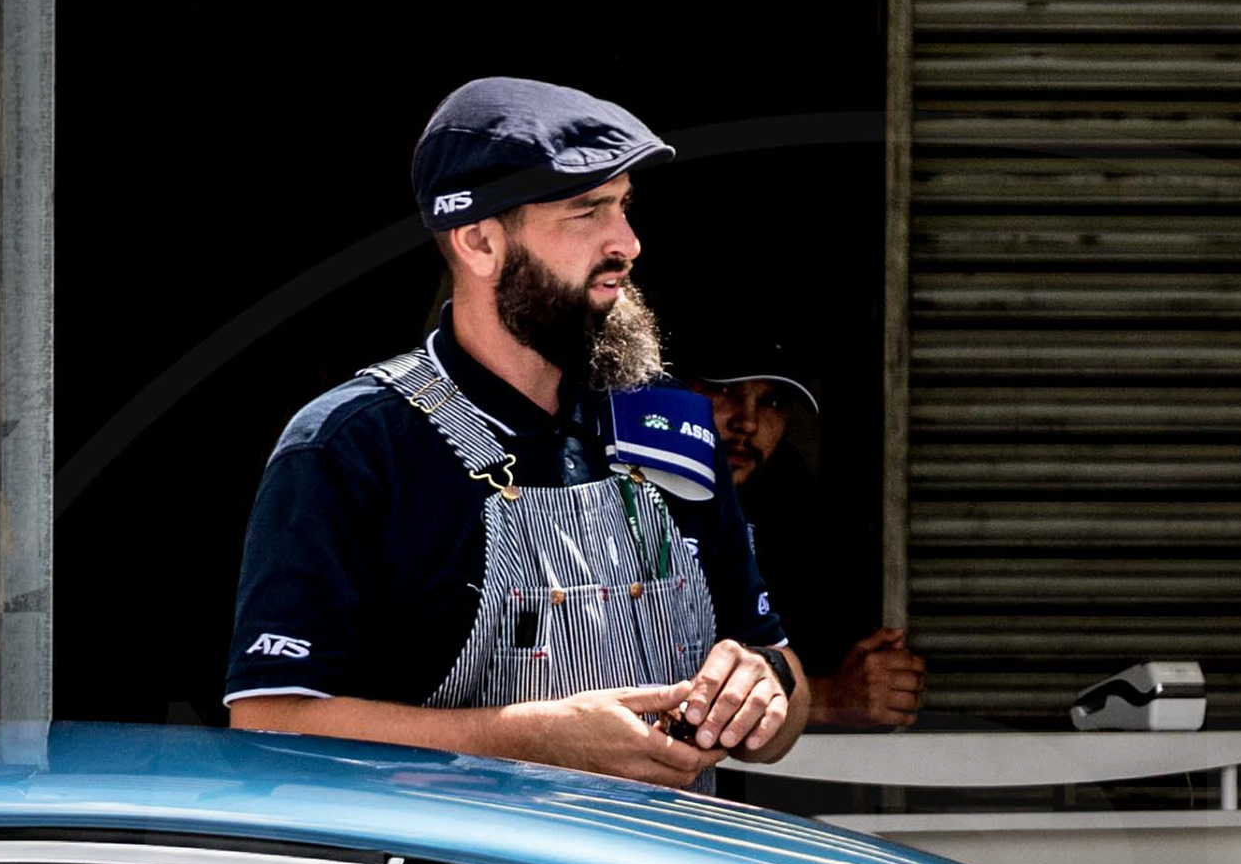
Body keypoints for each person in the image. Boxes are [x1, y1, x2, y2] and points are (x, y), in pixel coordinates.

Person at [223, 79, 810, 784]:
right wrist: (526, 741)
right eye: (585, 210)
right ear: (479, 242)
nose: (627, 242)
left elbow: (785, 696)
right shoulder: (352, 448)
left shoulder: (667, 424)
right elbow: (270, 725)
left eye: (623, 206)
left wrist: (766, 683)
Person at [685, 337, 923, 730]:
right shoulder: (627, 491)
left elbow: (826, 651)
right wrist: (828, 699)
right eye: (723, 391)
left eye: (773, 402)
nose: (748, 422)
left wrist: (876, 680)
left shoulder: (793, 505)